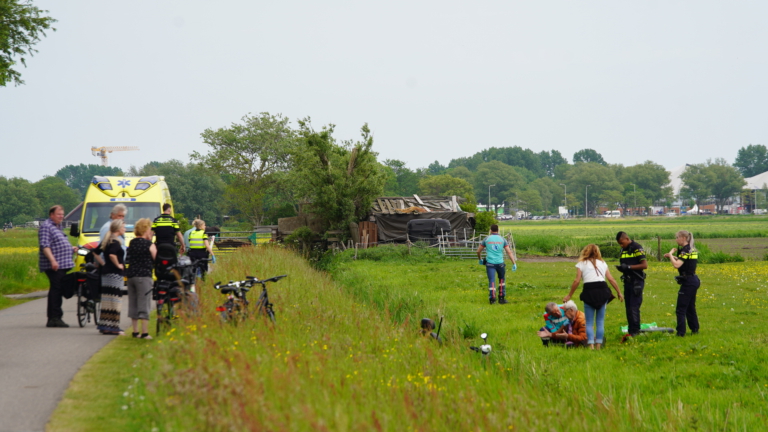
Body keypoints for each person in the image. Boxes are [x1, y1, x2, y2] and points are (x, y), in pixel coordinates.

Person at [563, 244, 623, 349]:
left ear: (585, 251)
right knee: (600, 321)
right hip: (602, 291)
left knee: (589, 322)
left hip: (589, 292)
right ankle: (599, 345)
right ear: (598, 252)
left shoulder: (581, 264)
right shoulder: (603, 263)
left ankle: (590, 345)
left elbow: (577, 281)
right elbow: (611, 279)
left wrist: (569, 295)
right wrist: (619, 292)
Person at [38, 205, 78, 328]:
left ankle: (54, 317)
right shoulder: (46, 227)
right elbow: (45, 246)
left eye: (62, 214)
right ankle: (54, 318)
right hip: (54, 265)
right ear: (52, 215)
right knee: (57, 289)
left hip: (62, 264)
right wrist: (53, 261)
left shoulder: (57, 227)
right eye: (58, 214)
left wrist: (70, 249)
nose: (61, 216)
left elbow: (57, 245)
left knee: (57, 289)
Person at [664, 230, 700, 337]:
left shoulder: (685, 250)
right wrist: (674, 257)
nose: (676, 239)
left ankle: (680, 333)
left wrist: (671, 254)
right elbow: (686, 262)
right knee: (690, 307)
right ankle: (695, 329)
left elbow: (676, 265)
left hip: (688, 282)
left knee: (680, 309)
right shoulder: (690, 249)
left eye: (677, 237)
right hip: (694, 280)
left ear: (683, 238)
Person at [126, 218, 156, 339]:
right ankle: (144, 333)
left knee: (133, 303)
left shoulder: (132, 243)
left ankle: (135, 331)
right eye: (150, 229)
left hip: (131, 276)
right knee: (144, 303)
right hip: (144, 276)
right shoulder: (149, 244)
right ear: (146, 229)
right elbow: (156, 258)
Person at [615, 231, 648, 339]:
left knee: (634, 307)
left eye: (622, 242)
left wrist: (628, 267)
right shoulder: (623, 250)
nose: (621, 245)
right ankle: (630, 330)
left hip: (636, 282)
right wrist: (622, 268)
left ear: (627, 239)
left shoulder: (637, 248)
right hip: (627, 281)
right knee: (628, 307)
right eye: (619, 244)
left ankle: (635, 332)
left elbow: (644, 265)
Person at [98, 219, 126, 335]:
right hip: (114, 274)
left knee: (107, 300)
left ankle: (105, 325)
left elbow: (94, 252)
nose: (125, 229)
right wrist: (118, 265)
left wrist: (104, 264)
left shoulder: (107, 240)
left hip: (106, 274)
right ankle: (114, 326)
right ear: (119, 229)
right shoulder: (115, 241)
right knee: (115, 301)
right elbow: (112, 254)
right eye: (123, 227)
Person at [476, 224, 517, 304]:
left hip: (490, 264)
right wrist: (514, 263)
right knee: (502, 280)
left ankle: (492, 299)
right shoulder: (502, 239)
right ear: (498, 230)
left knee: (492, 280)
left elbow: (478, 251)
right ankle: (501, 299)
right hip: (500, 263)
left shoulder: (487, 239)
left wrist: (480, 259)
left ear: (490, 230)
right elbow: (509, 252)